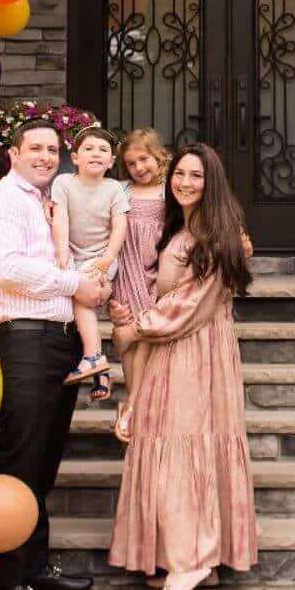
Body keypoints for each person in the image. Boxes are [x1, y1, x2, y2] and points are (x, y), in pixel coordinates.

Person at [108, 143, 257, 590]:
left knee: (185, 447)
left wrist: (136, 328)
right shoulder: (183, 228)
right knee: (177, 446)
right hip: (173, 350)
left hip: (196, 350)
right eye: (180, 174)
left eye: (196, 176)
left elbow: (192, 304)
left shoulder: (217, 234)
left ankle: (190, 560)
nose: (186, 183)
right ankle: (195, 559)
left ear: (211, 183)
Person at [0, 118, 108, 590]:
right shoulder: (1, 201)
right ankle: (7, 584)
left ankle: (35, 564)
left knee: (45, 459)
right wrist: (74, 283)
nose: (46, 157)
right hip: (25, 339)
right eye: (36, 148)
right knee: (21, 457)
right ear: (13, 153)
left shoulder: (49, 203)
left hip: (59, 340)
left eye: (53, 149)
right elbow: (8, 269)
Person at [51, 127, 130, 399]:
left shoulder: (114, 189)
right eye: (89, 148)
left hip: (101, 258)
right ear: (75, 157)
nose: (96, 153)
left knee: (81, 296)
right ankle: (99, 370)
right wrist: (62, 253)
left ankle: (94, 358)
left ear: (111, 161)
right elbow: (60, 218)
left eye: (103, 150)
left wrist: (107, 259)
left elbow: (120, 226)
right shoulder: (63, 183)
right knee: (81, 300)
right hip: (74, 256)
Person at [111, 127, 170, 396]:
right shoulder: (120, 190)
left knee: (151, 337)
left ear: (158, 156)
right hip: (127, 273)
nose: (138, 167)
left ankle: (145, 404)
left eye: (144, 159)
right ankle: (133, 403)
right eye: (131, 163)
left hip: (157, 275)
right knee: (128, 337)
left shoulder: (168, 191)